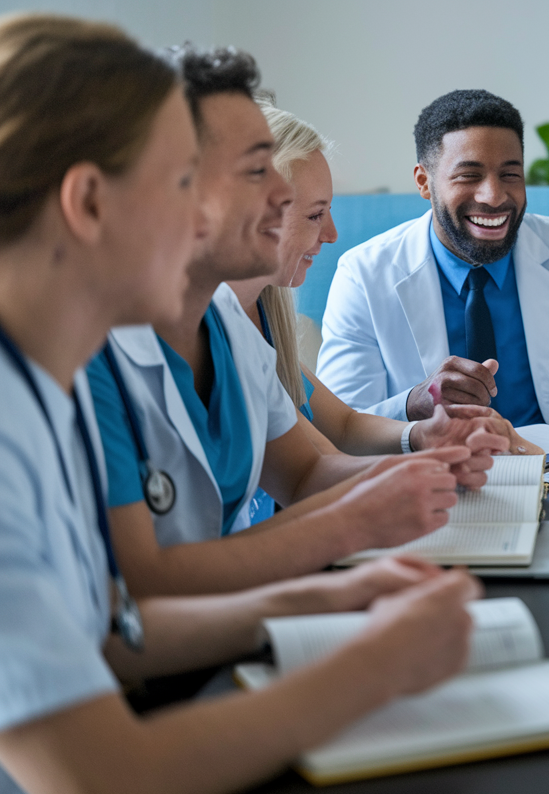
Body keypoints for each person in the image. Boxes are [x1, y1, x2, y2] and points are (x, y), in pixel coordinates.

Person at [0, 16, 477, 794]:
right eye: (182, 182)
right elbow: (105, 778)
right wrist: (376, 664)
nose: (198, 223)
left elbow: (109, 636)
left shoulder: (41, 386)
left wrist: (330, 598)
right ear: (87, 202)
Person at [87, 46, 502, 597]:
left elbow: (306, 471)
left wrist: (428, 465)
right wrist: (343, 558)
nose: (282, 196)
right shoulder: (87, 355)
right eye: (254, 171)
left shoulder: (229, 328)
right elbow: (143, 596)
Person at [225, 102, 541, 523]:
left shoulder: (258, 320)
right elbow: (313, 469)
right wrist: (424, 463)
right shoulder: (219, 327)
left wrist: (424, 437)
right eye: (316, 214)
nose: (333, 233)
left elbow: (340, 431)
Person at [316, 89, 549, 428]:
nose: (494, 196)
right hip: (433, 473)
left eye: (510, 175)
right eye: (469, 176)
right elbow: (340, 423)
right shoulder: (362, 274)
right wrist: (412, 404)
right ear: (424, 182)